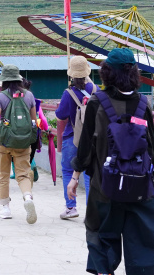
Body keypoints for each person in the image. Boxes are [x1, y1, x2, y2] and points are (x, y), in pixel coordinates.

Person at [67, 48, 154, 275]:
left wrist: (74, 177)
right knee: (142, 241)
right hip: (139, 185)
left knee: (101, 235)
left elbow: (85, 148)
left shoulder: (97, 103)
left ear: (107, 73)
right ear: (134, 74)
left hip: (105, 186)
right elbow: (152, 149)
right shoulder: (143, 104)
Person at [0, 65, 39, 224]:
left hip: (4, 140)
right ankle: (27, 197)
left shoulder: (0, 97)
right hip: (23, 141)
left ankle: (5, 208)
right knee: (23, 174)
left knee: (3, 174)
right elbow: (34, 121)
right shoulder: (29, 96)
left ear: (3, 81)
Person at [55, 55, 98, 220]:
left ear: (72, 74)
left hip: (72, 138)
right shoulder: (96, 91)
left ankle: (71, 208)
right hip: (92, 139)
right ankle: (91, 211)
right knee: (89, 173)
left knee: (67, 170)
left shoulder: (68, 93)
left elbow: (60, 116)